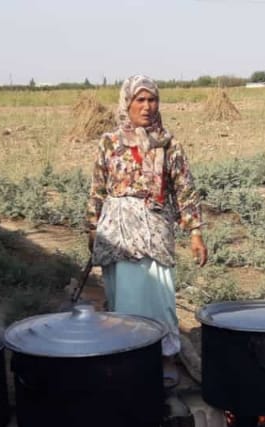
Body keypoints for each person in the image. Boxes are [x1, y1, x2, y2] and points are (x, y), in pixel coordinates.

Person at [87, 75, 208, 365]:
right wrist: (92, 228)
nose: (147, 106)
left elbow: (184, 188)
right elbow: (98, 188)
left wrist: (195, 232)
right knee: (125, 295)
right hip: (117, 232)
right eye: (139, 100)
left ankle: (163, 357)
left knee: (159, 293)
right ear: (127, 103)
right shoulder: (110, 143)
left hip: (155, 229)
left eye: (152, 99)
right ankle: (128, 354)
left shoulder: (168, 144)